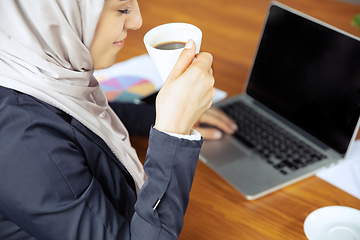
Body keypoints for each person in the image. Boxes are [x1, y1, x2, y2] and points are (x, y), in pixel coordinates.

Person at [0, 0, 237, 239]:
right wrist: (172, 131)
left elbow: (76, 118)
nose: (137, 21)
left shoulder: (33, 75)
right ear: (51, 15)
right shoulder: (25, 143)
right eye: (122, 9)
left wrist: (168, 113)